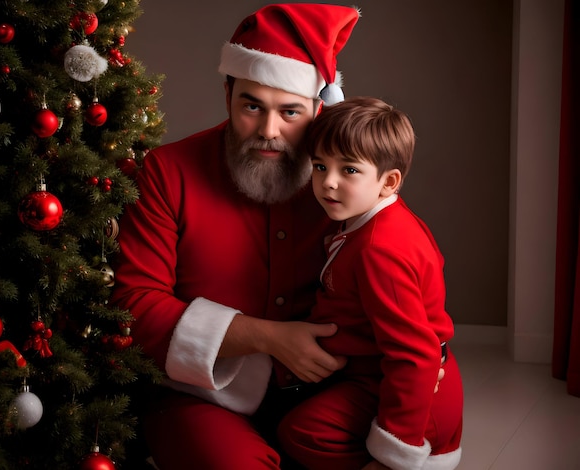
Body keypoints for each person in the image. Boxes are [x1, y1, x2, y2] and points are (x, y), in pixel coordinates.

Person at [111, 4, 362, 469]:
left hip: (327, 392)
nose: (269, 131)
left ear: (317, 108)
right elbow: (137, 303)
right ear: (228, 92)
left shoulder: (350, 176)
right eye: (252, 106)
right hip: (198, 395)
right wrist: (269, 337)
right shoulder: (168, 172)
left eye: (290, 112)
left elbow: (403, 262)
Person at [276, 97, 463, 470]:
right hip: (370, 369)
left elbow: (414, 354)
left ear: (388, 181)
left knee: (301, 432)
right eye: (319, 166)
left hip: (409, 393)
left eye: (349, 170)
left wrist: (395, 454)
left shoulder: (381, 250)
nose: (327, 183)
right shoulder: (369, 218)